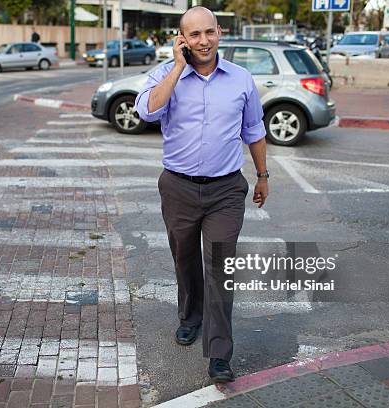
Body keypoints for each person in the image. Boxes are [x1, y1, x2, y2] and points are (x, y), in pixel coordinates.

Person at [134, 6, 269, 383]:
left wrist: (262, 175)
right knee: (185, 259)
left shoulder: (241, 79)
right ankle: (190, 318)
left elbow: (254, 130)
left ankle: (220, 353)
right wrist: (177, 68)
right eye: (194, 35)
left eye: (208, 32)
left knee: (220, 269)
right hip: (177, 186)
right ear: (182, 39)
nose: (203, 41)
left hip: (226, 190)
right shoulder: (165, 74)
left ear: (219, 32)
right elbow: (146, 111)